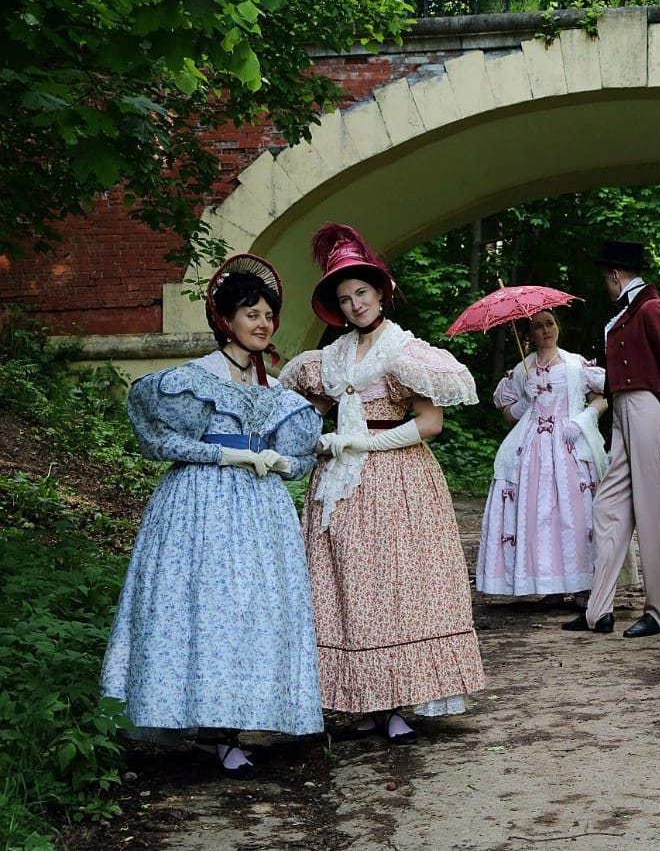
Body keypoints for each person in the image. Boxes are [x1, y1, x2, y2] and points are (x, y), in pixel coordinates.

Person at [101, 254, 324, 777]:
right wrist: (229, 454)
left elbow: (297, 460)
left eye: (268, 314)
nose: (262, 322)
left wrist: (278, 458)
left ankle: (226, 729)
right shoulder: (194, 379)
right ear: (226, 319)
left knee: (248, 611)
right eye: (251, 313)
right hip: (200, 504)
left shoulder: (271, 392)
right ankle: (203, 731)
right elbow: (161, 440)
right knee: (202, 605)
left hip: (260, 510)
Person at [279, 223, 484, 744]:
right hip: (340, 484)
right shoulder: (330, 358)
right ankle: (362, 700)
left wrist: (364, 444)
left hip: (396, 478)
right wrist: (316, 439)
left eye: (362, 294)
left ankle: (398, 699)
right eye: (345, 299)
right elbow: (313, 409)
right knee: (346, 583)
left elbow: (431, 423)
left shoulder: (406, 353)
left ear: (380, 292)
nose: (354, 305)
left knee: (394, 584)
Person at [564, 240, 660, 638]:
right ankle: (598, 611)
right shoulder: (627, 311)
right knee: (608, 507)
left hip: (649, 409)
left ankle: (659, 612)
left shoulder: (651, 308)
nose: (605, 284)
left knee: (654, 514)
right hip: (621, 412)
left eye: (605, 278)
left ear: (616, 276)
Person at [475, 309, 613, 606]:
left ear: (557, 326)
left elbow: (605, 396)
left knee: (575, 515)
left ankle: (582, 586)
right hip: (532, 451)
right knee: (540, 516)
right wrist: (525, 402)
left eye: (549, 323)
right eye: (537, 327)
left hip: (569, 447)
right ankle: (549, 585)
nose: (545, 330)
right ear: (529, 334)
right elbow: (507, 414)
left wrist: (584, 418)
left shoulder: (576, 365)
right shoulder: (522, 370)